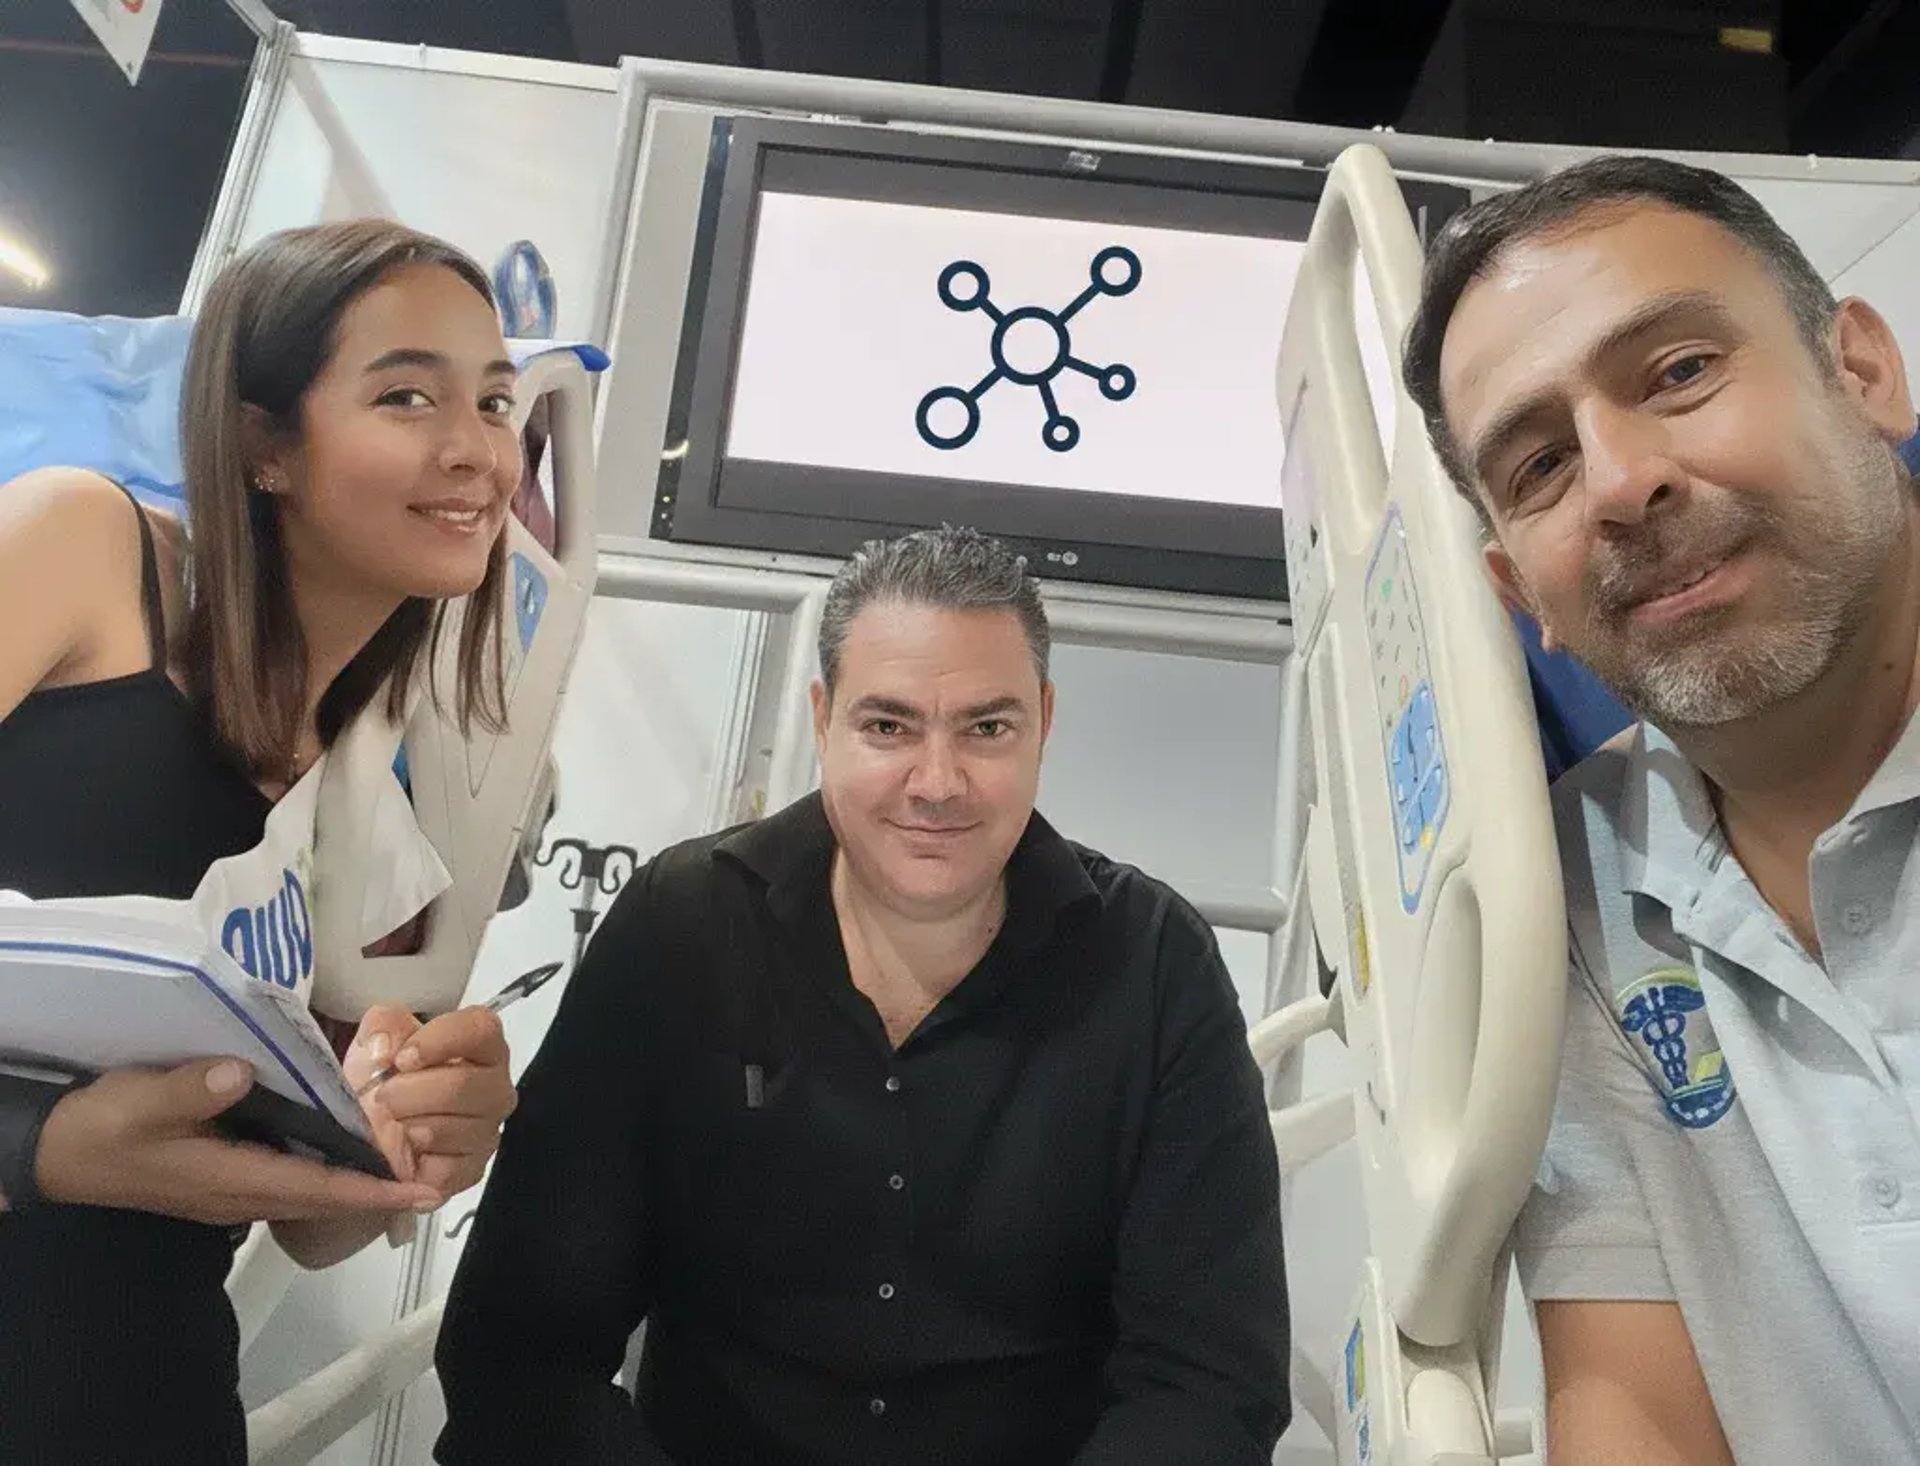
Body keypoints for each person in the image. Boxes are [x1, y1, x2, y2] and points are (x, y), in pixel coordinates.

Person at [433, 526, 1291, 1465]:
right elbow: (520, 1350)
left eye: (986, 728)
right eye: (888, 726)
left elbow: (1209, 1384)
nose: (937, 782)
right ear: (822, 718)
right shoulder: (678, 934)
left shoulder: (1155, 967)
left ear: (1045, 721)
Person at [1401, 156, 1920, 1463]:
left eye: (1679, 371)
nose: (1621, 479)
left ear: (1862, 371)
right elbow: (1637, 1416)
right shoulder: (1570, 911)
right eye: (1538, 464)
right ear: (1521, 592)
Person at [0, 220, 525, 1460]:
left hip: (148, 1402)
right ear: (262, 444)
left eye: (497, 403)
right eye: (408, 394)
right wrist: (39, 1151)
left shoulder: (369, 804)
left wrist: (420, 1129)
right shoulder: (90, 558)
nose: (475, 450)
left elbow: (314, 1227)